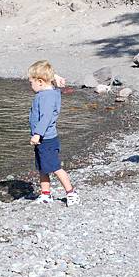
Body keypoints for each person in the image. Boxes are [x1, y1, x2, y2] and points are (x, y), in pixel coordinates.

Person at [28, 60, 80, 206]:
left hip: (46, 138)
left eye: (31, 82)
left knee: (55, 167)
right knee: (42, 167)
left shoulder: (46, 97)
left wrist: (37, 134)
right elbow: (51, 84)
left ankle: (71, 193)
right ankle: (46, 194)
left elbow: (46, 117)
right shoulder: (51, 91)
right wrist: (55, 77)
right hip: (43, 139)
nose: (30, 85)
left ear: (39, 82)